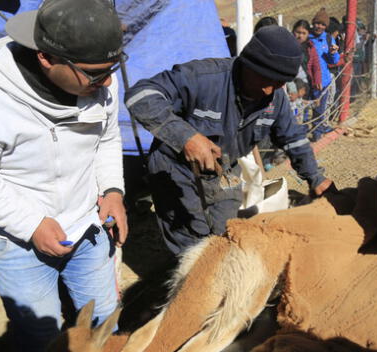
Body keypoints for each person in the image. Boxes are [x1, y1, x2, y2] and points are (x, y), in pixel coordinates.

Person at [0, 0, 127, 350]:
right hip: (18, 244)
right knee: (42, 337)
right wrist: (31, 223)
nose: (108, 81)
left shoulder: (100, 85)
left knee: (104, 321)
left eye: (113, 68)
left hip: (87, 228)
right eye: (96, 73)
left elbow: (107, 138)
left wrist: (113, 189)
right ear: (46, 58)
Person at [125, 26, 334, 255]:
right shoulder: (203, 78)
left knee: (227, 234)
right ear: (247, 63)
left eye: (278, 82)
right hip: (176, 171)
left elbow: (293, 139)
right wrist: (186, 137)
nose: (268, 90)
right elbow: (140, 95)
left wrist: (315, 177)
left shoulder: (276, 98)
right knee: (193, 245)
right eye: (264, 78)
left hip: (225, 171)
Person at [308, 8, 340, 141]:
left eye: (322, 24)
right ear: (313, 23)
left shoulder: (328, 39)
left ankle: (317, 135)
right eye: (317, 23)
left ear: (326, 26)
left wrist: (333, 53)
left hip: (324, 81)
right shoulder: (307, 38)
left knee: (319, 110)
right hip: (308, 80)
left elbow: (334, 61)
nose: (319, 26)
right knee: (303, 111)